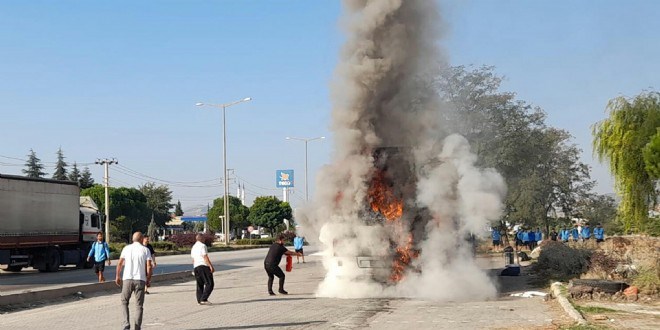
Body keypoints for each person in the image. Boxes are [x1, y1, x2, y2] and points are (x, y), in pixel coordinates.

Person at [116, 232, 153, 330]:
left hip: (127, 279)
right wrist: (148, 279)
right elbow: (149, 266)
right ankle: (137, 327)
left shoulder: (126, 248)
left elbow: (119, 263)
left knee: (124, 301)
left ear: (133, 239)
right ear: (141, 239)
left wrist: (117, 276)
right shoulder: (146, 250)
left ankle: (126, 324)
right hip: (140, 280)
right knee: (139, 305)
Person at [191, 234, 215, 305]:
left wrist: (194, 268)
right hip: (203, 266)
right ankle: (204, 299)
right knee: (210, 283)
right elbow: (205, 257)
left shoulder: (193, 247)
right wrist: (210, 266)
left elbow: (193, 259)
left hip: (196, 267)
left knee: (199, 284)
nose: (205, 239)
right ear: (201, 239)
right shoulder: (202, 246)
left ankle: (199, 300)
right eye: (204, 238)